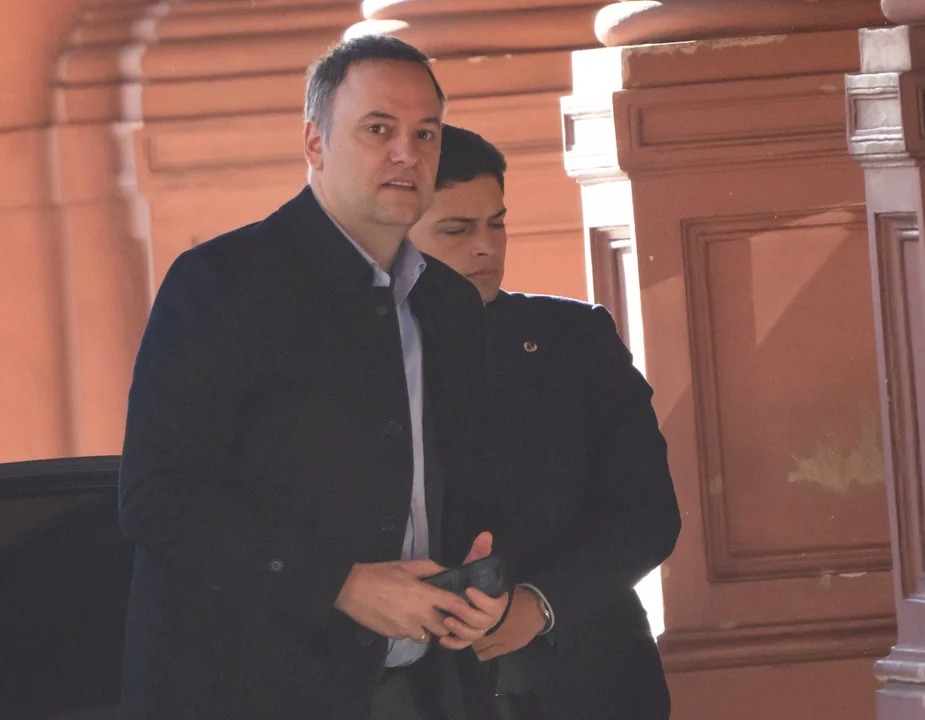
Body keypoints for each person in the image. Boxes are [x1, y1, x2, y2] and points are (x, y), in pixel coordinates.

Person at [117, 39, 508, 720]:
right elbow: (157, 498)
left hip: (418, 688)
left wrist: (484, 583)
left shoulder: (448, 303)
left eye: (426, 134)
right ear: (315, 143)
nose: (406, 153)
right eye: (378, 129)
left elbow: (462, 486)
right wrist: (341, 584)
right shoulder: (221, 284)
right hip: (247, 692)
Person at [408, 125, 682, 720]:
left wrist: (541, 604)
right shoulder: (354, 359)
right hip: (424, 683)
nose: (486, 247)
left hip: (585, 672)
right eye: (456, 230)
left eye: (497, 223)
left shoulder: (574, 338)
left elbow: (647, 513)